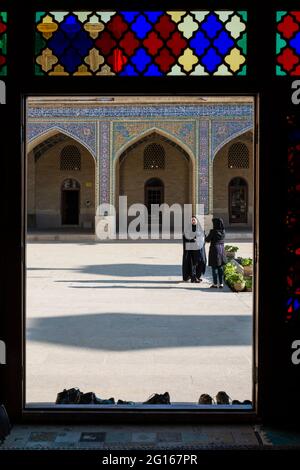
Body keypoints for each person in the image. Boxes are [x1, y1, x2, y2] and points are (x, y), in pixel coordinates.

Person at [182, 216, 206, 283]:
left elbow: (204, 236)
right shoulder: (188, 228)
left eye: (194, 220)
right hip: (191, 249)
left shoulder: (200, 228)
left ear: (197, 220)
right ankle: (193, 278)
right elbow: (185, 237)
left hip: (199, 249)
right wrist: (192, 239)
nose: (193, 221)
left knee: (201, 262)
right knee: (193, 263)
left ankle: (198, 276)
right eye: (192, 220)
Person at [205, 217, 227, 288]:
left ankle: (215, 283)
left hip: (214, 250)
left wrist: (205, 235)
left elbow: (207, 240)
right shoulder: (223, 231)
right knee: (220, 267)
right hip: (222, 250)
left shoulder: (213, 231)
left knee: (214, 267)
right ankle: (221, 283)